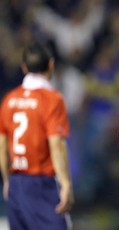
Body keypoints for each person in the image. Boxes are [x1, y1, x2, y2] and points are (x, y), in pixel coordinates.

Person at [0, 42, 74, 230]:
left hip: (16, 182)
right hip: (43, 183)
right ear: (51, 64)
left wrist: (7, 180)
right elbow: (56, 143)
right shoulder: (52, 99)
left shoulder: (9, 100)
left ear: (24, 67)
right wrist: (65, 183)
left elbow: (2, 144)